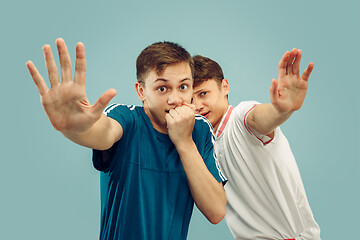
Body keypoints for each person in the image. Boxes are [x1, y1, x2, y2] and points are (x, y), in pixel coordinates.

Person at [26, 38, 227, 240]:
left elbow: (216, 211)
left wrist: (184, 142)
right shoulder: (127, 118)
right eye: (162, 88)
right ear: (141, 91)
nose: (175, 100)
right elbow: (103, 132)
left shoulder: (200, 129)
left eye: (183, 87)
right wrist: (74, 127)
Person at [191, 49, 321, 240]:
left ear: (225, 86)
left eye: (203, 93)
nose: (197, 106)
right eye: (191, 100)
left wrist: (281, 111)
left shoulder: (240, 118)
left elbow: (259, 118)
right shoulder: (202, 145)